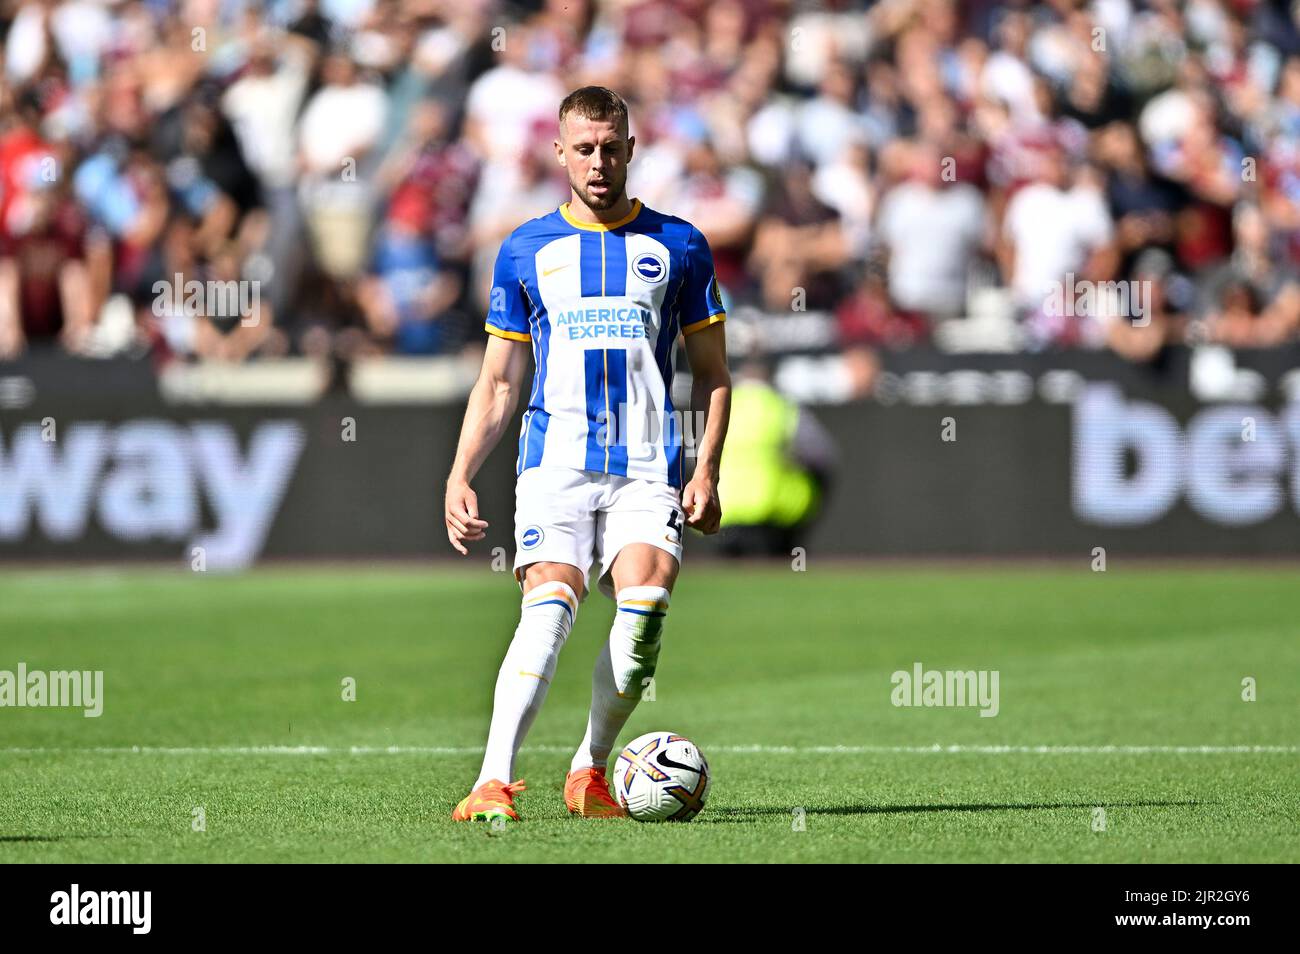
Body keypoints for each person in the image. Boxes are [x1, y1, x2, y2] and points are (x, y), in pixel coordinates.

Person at [443, 86, 732, 822]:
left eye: (611, 148)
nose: (598, 163)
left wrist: (706, 469)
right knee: (549, 609)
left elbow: (715, 373)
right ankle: (492, 784)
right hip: (555, 462)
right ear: (559, 153)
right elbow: (500, 381)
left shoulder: (680, 245)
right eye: (583, 149)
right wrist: (460, 472)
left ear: (631, 150)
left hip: (648, 464)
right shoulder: (526, 248)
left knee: (643, 610)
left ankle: (590, 768)